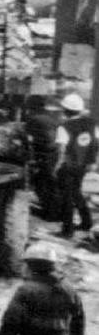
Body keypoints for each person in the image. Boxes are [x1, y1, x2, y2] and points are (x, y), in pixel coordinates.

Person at [53, 92, 97, 238]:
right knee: (76, 192)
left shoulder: (64, 127)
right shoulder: (91, 123)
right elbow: (96, 143)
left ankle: (67, 230)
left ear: (65, 110)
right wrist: (93, 161)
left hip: (68, 166)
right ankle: (86, 222)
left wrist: (56, 167)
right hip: (84, 165)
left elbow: (61, 150)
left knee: (66, 197)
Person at [25, 95, 61, 219]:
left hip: (43, 154)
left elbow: (28, 140)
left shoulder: (33, 119)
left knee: (41, 182)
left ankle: (51, 213)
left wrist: (31, 158)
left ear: (32, 106)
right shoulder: (51, 118)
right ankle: (54, 211)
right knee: (50, 183)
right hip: (54, 154)